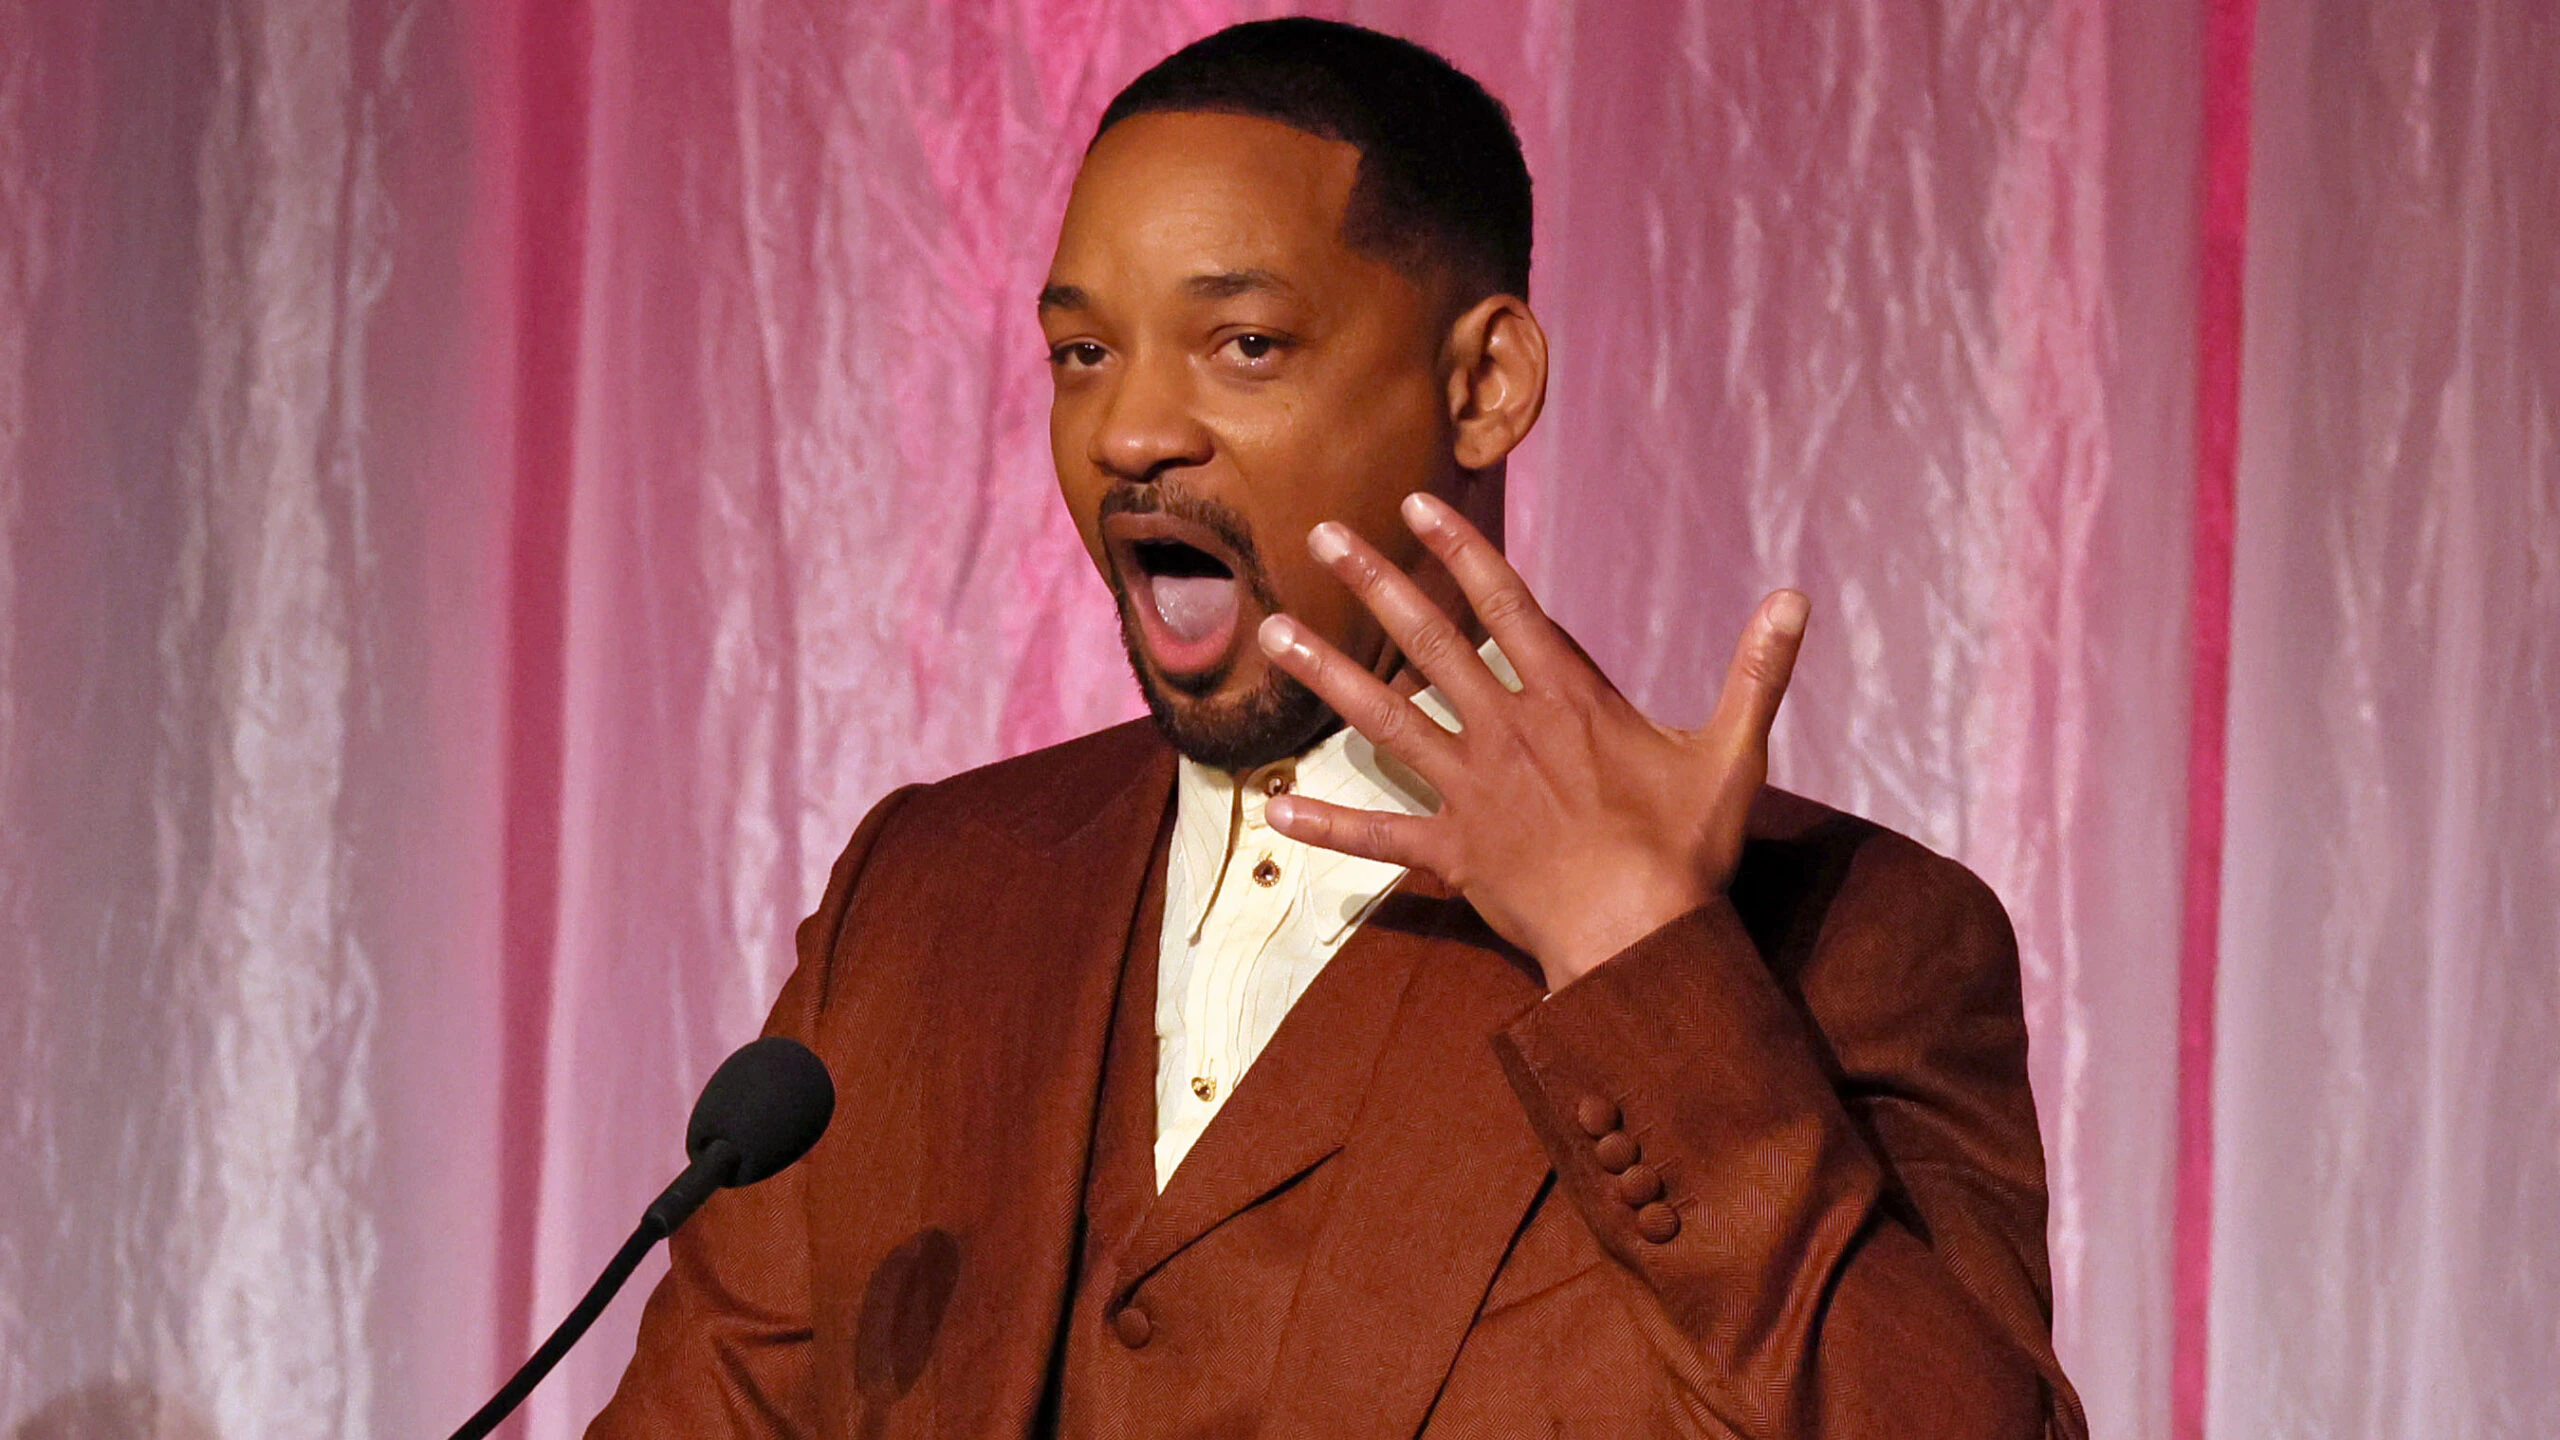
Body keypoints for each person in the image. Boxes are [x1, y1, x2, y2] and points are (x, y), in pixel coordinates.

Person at [590, 18, 2086, 1438]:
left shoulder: (1855, 939)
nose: (1127, 433)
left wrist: (1642, 956)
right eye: (1083, 354)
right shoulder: (924, 894)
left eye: (1243, 344)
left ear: (1483, 384)